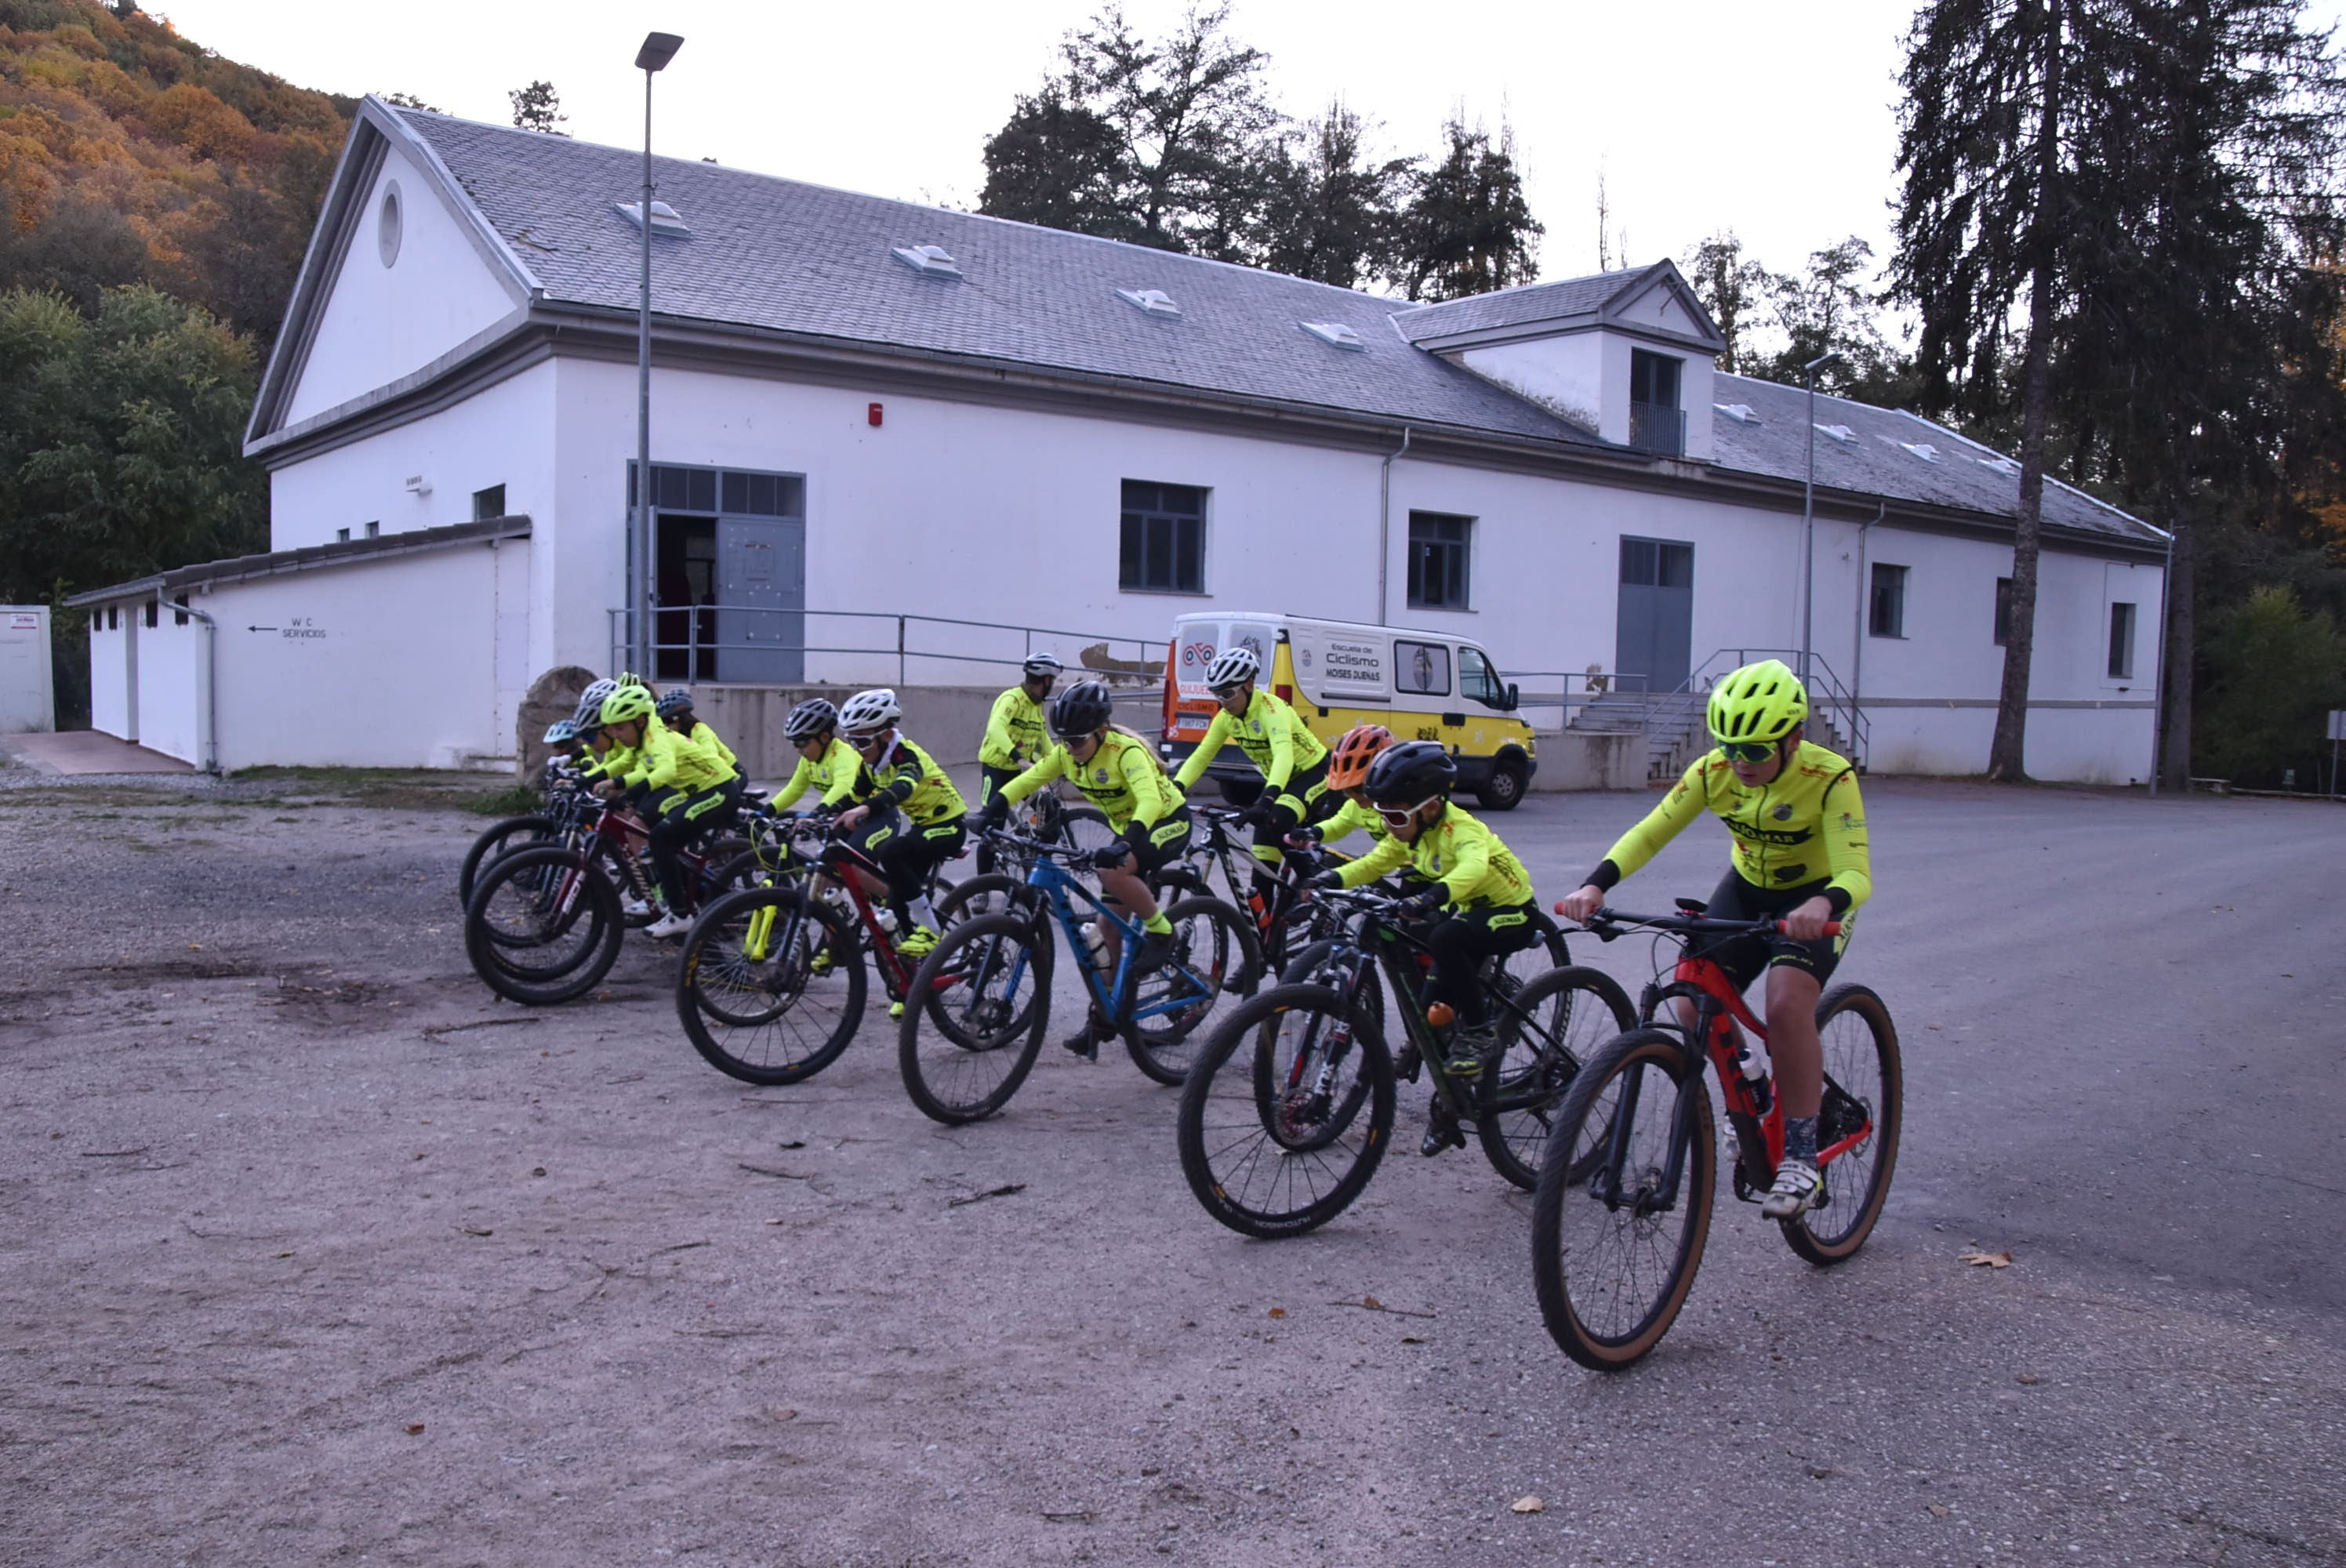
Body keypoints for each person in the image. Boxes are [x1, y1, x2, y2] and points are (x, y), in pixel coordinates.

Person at [1555, 659, 1872, 1220]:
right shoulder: (1712, 772)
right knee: (1685, 1000)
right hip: (1748, 889)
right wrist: (1595, 885)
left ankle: (1801, 1154)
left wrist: (1824, 903)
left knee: (1785, 1004)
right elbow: (1652, 831)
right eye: (1728, 746)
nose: (1738, 762)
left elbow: (1856, 872)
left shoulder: (1831, 777)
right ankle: (1750, 1084)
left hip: (1816, 900)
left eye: (1753, 750)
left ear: (1793, 740)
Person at [1310, 740, 1539, 1151]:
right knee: (1428, 1003)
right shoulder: (1410, 831)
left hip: (1512, 912)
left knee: (1444, 936)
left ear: (1431, 807)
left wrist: (1433, 896)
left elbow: (1473, 867)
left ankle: (1482, 1033)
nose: (1388, 824)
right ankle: (1450, 1110)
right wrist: (1332, 879)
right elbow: (1377, 861)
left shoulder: (1462, 829)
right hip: (1470, 910)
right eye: (1382, 814)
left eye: (1394, 815)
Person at [979, 679, 1192, 1058]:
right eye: (1063, 740)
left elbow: (1148, 802)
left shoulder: (1125, 753)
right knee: (1106, 926)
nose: (1070, 749)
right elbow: (1028, 779)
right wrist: (990, 811)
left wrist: (1125, 844)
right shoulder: (1067, 754)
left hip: (1164, 821)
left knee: (1113, 871)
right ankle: (1103, 1017)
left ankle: (1163, 932)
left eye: (1077, 741)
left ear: (1102, 730)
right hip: (1129, 830)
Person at [1171, 645, 1331, 899]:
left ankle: (1315, 885)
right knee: (1262, 876)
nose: (1223, 702)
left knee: (1277, 818)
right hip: (1281, 782)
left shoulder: (1272, 709)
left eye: (1227, 693)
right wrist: (1175, 789)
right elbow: (1201, 757)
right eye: (1217, 695)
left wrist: (1266, 800)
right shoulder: (1226, 718)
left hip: (1314, 773)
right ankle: (1266, 935)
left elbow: (1283, 756)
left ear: (1248, 684)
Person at [593, 684, 741, 939]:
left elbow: (666, 772)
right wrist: (590, 780)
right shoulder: (645, 739)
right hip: (699, 792)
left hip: (718, 790)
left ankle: (680, 914)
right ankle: (691, 900)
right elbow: (626, 764)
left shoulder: (657, 737)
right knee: (664, 844)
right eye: (612, 729)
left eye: (620, 727)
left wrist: (629, 793)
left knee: (660, 836)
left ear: (639, 721)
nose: (616, 735)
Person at [829, 688, 966, 963]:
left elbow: (904, 786)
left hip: (948, 825)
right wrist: (816, 814)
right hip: (922, 827)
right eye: (852, 742)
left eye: (863, 742)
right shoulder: (871, 764)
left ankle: (930, 930)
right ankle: (910, 983)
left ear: (887, 736)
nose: (858, 749)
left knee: (892, 853)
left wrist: (868, 807)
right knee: (894, 903)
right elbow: (852, 797)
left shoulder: (905, 754)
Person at [975, 653, 1062, 873]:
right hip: (996, 769)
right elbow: (995, 729)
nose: (1051, 686)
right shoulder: (1012, 699)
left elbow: (1042, 737)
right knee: (991, 828)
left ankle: (1039, 868)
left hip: (1019, 770)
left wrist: (1062, 763)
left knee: (1049, 811)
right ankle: (982, 887)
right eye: (1052, 681)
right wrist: (1019, 758)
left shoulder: (1036, 706)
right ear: (1046, 680)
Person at [656, 688, 739, 775]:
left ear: (677, 719)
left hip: (732, 771)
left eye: (667, 722)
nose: (666, 727)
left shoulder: (699, 730)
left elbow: (710, 756)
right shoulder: (680, 734)